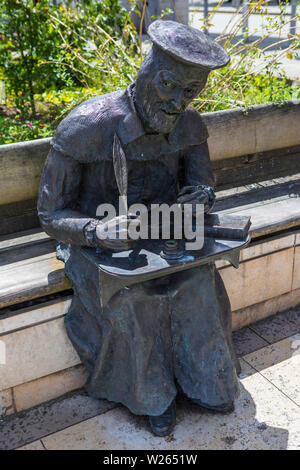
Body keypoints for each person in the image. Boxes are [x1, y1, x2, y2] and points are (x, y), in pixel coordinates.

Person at [38, 20, 240, 437]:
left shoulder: (189, 125)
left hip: (165, 234)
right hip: (94, 241)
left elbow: (203, 185)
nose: (177, 103)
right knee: (135, 298)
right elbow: (50, 215)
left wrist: (199, 197)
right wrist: (96, 231)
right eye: (170, 85)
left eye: (191, 93)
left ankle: (208, 382)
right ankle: (153, 397)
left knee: (199, 281)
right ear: (147, 72)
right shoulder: (86, 126)